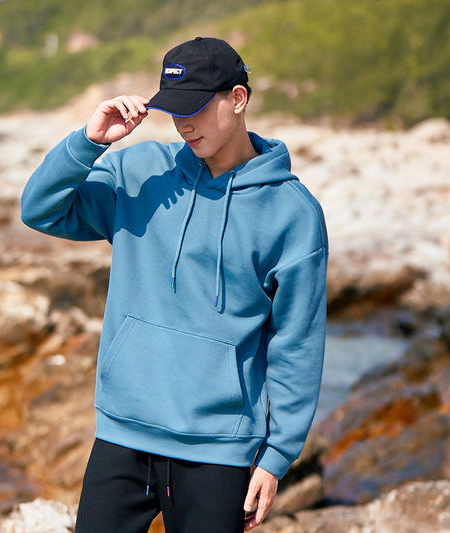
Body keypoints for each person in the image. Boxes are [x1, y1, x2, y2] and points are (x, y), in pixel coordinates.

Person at [21, 37, 328, 533]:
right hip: (123, 435)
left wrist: (276, 456)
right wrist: (89, 142)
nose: (184, 123)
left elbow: (297, 342)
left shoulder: (292, 214)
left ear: (238, 98)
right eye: (174, 109)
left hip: (217, 451)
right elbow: (40, 210)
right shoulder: (138, 173)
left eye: (196, 108)